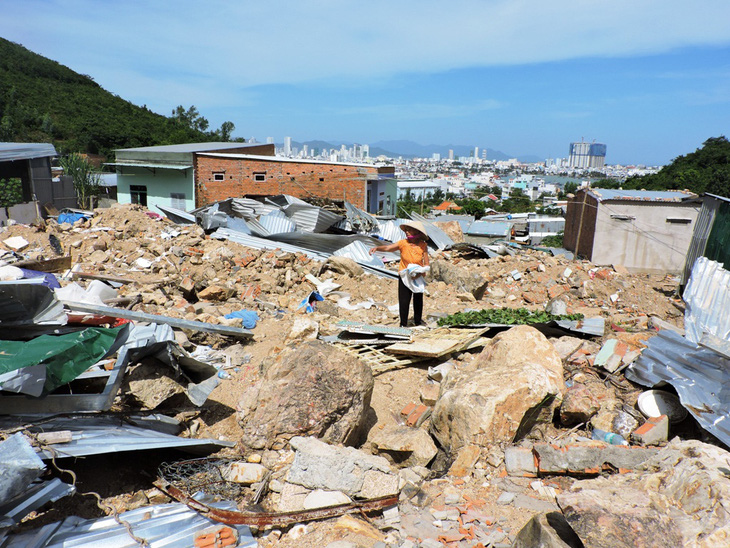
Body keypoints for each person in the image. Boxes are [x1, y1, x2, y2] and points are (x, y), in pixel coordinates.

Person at [369, 220, 430, 327]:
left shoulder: (423, 245)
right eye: (406, 230)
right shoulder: (403, 243)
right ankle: (403, 324)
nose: (406, 232)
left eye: (409, 230)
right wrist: (377, 248)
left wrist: (421, 272)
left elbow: (427, 264)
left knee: (418, 300)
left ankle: (418, 322)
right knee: (404, 300)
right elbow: (388, 248)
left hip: (417, 276)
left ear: (416, 232)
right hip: (404, 275)